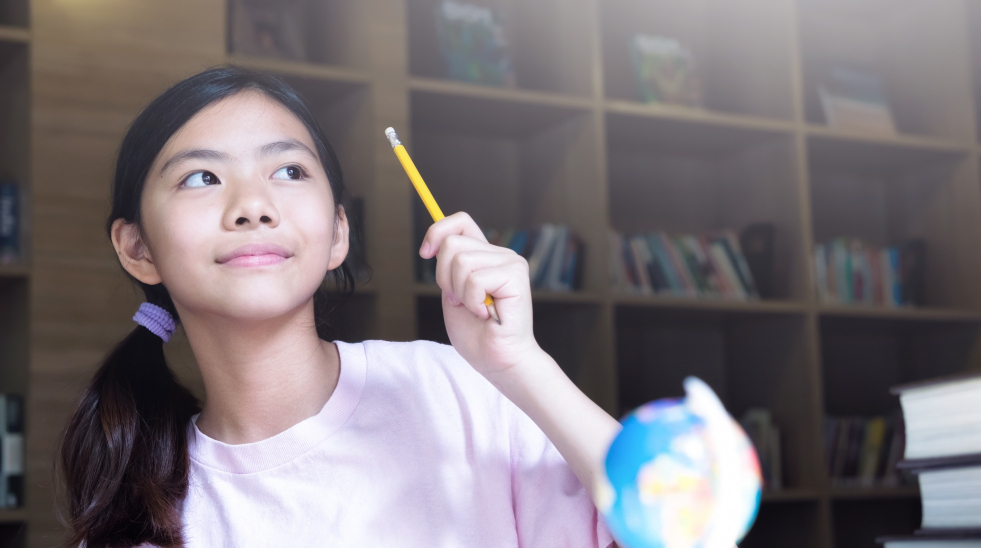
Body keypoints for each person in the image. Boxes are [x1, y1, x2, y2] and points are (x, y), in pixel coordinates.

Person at [55, 66, 623, 548]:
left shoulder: (462, 392)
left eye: (289, 171)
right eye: (202, 177)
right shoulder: (136, 519)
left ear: (337, 234)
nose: (253, 206)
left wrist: (521, 364)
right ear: (138, 247)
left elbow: (697, 528)